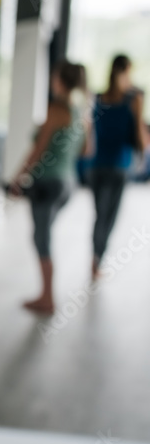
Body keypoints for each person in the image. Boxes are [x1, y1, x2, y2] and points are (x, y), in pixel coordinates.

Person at [11, 61, 90, 315]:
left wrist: (18, 178)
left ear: (60, 80)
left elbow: (38, 150)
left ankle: (47, 297)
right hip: (68, 182)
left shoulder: (56, 108)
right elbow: (87, 150)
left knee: (41, 238)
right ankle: (46, 294)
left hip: (48, 182)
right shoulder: (81, 112)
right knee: (43, 235)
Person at [90, 54, 148, 280]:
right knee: (109, 217)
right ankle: (97, 259)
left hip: (96, 165)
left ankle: (94, 259)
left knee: (99, 215)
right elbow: (140, 138)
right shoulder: (134, 99)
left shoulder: (99, 98)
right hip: (119, 165)